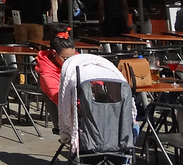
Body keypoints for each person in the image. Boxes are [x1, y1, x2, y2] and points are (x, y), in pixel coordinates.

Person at [53, 23, 135, 156]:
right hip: (80, 113)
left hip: (97, 116)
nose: (70, 60)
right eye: (67, 58)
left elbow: (94, 77)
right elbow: (56, 95)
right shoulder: (49, 69)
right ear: (54, 53)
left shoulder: (80, 63)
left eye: (73, 56)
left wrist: (96, 87)